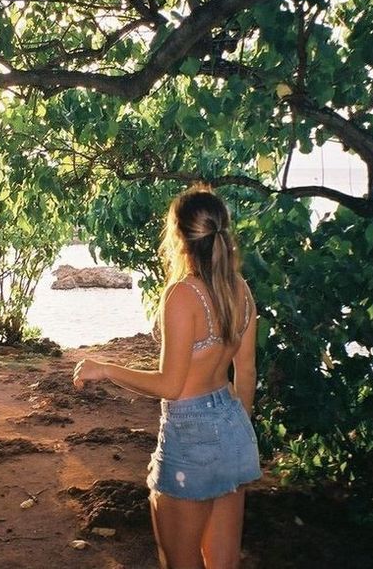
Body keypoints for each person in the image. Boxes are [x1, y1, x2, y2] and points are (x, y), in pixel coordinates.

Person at [73, 187, 260, 569]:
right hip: (234, 426)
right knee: (223, 563)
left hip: (190, 433)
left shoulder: (182, 295)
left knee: (179, 560)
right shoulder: (241, 291)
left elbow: (170, 385)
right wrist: (233, 429)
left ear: (178, 236)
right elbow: (247, 371)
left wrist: (105, 369)